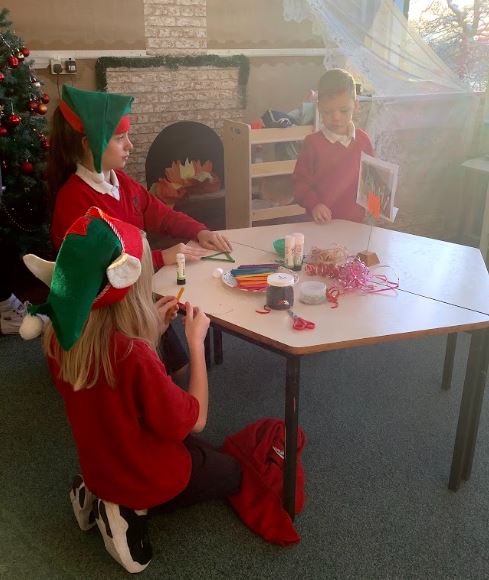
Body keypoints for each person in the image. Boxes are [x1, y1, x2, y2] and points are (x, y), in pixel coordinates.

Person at [20, 207, 241, 573]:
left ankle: (95, 490)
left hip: (99, 462)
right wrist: (195, 343)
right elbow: (196, 418)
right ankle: (123, 510)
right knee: (230, 472)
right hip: (142, 475)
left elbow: (111, 389)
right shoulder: (132, 355)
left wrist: (150, 334)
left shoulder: (59, 336)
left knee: (194, 450)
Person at [46, 84, 232, 383]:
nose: (130, 146)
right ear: (89, 143)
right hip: (106, 313)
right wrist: (160, 257)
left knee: (176, 370)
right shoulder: (74, 201)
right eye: (120, 138)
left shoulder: (120, 182)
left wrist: (199, 230)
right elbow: (100, 273)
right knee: (157, 375)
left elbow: (161, 214)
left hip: (136, 295)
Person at [293, 68, 374, 224]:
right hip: (320, 224)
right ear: (319, 108)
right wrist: (315, 205)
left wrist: (376, 204)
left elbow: (371, 181)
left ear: (356, 105)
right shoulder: (312, 143)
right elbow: (300, 183)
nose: (336, 117)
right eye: (328, 112)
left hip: (355, 225)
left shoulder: (363, 140)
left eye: (344, 111)